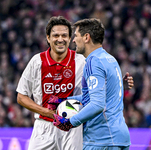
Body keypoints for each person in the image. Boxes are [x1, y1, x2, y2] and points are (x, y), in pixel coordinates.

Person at [16, 16, 133, 150]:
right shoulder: (37, 61)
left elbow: (96, 101)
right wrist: (50, 111)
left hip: (77, 131)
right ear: (48, 38)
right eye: (56, 35)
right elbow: (21, 97)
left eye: (65, 35)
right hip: (44, 128)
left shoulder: (84, 61)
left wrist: (70, 122)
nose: (60, 39)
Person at [53, 18, 131, 150]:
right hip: (119, 138)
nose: (73, 40)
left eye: (76, 36)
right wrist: (65, 99)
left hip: (101, 139)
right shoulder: (110, 59)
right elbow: (94, 97)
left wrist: (70, 122)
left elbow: (97, 104)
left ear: (86, 37)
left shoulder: (93, 62)